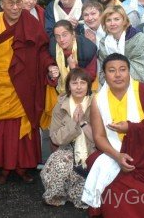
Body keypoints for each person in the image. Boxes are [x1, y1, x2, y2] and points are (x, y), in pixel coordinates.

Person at [81, 53, 144, 217]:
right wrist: (117, 156)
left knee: (139, 196)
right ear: (104, 75)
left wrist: (131, 129)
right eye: (112, 70)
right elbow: (99, 137)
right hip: (114, 153)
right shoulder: (98, 100)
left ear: (129, 72)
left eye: (122, 70)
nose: (117, 75)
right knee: (113, 195)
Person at [0, 0, 55, 185]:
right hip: (0, 83)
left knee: (25, 128)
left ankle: (23, 167)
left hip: (25, 83)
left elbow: (41, 49)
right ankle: (4, 168)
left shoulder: (30, 22)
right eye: (11, 3)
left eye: (18, 2)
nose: (15, 7)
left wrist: (49, 64)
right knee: (3, 131)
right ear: (2, 3)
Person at [41, 68, 95, 209]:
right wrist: (74, 123)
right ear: (68, 86)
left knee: (84, 198)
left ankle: (76, 191)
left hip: (93, 150)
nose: (78, 87)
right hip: (67, 149)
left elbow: (99, 138)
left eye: (82, 83)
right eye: (74, 83)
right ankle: (59, 195)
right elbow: (56, 138)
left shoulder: (97, 103)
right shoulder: (61, 105)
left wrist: (83, 122)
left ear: (88, 86)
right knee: (58, 162)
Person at [98, 6, 144, 96]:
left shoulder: (139, 39)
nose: (112, 23)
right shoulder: (104, 43)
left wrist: (116, 75)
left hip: (143, 87)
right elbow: (103, 69)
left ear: (124, 21)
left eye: (116, 19)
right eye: (108, 20)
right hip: (113, 88)